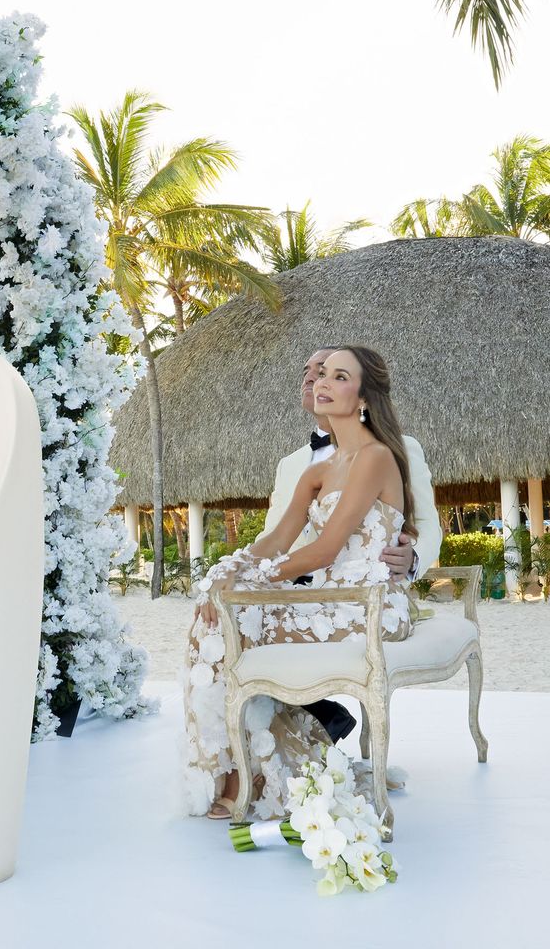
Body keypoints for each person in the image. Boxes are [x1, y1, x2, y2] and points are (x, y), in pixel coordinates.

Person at [183, 347, 421, 821]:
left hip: (367, 600)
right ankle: (244, 762)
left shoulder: (376, 457)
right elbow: (275, 537)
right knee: (214, 621)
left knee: (237, 616)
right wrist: (230, 570)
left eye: (338, 376)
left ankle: (242, 772)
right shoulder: (315, 470)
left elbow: (328, 548)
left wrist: (248, 584)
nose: (321, 382)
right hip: (321, 595)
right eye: (319, 375)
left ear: (364, 397)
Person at [257, 346, 442, 744]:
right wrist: (241, 570)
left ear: (359, 395)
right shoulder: (294, 465)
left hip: (367, 589)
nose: (312, 377)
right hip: (301, 589)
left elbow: (428, 525)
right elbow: (273, 535)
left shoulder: (398, 448)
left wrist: (411, 558)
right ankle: (312, 731)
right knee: (238, 621)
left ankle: (301, 746)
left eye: (326, 371)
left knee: (244, 629)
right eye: (309, 372)